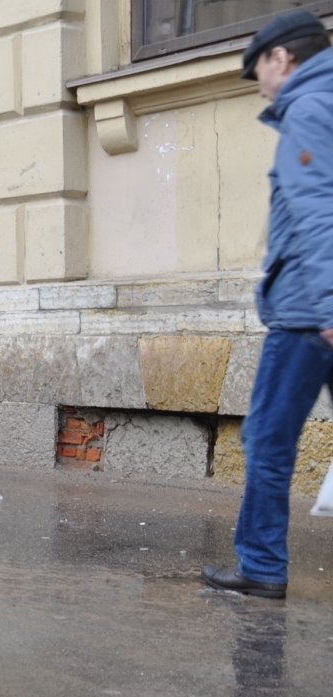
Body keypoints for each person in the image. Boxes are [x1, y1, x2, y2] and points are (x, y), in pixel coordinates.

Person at [201, 11, 333, 600]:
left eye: (258, 69)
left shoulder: (308, 112)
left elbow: (318, 215)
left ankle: (260, 566)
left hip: (308, 315)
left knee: (268, 439)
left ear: (282, 58)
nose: (259, 83)